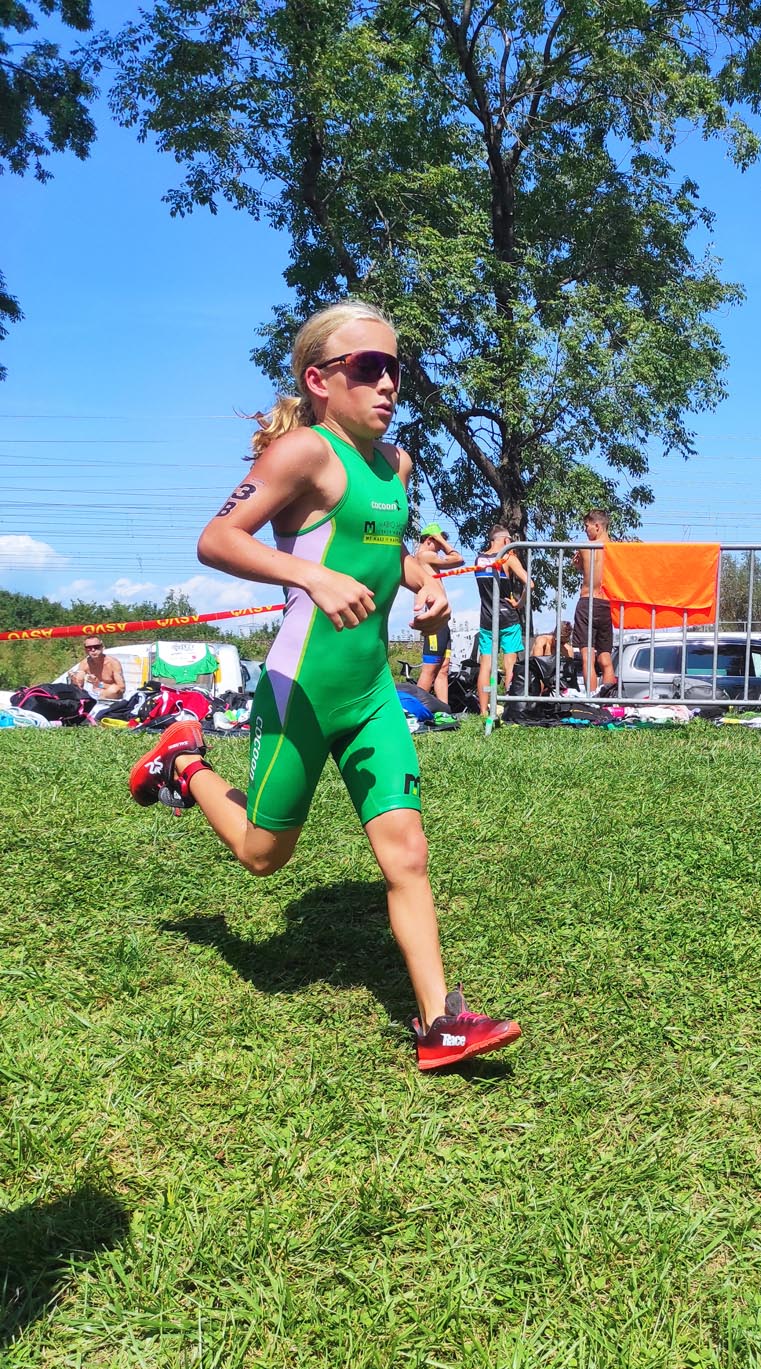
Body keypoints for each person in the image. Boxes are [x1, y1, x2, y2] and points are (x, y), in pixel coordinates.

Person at [126, 300, 519, 1071]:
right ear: (319, 380)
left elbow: (382, 545)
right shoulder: (303, 453)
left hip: (370, 691)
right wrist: (309, 575)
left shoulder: (396, 465)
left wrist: (423, 581)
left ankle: (441, 1023)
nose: (387, 383)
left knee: (407, 852)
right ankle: (182, 760)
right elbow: (216, 539)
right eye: (367, 368)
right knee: (262, 854)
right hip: (298, 688)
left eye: (395, 368)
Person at [475, 525, 529, 719]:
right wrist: (519, 603)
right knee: (510, 664)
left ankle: (483, 711)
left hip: (486, 618)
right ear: (506, 541)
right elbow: (530, 583)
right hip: (507, 617)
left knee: (486, 665)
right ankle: (510, 709)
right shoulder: (507, 558)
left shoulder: (479, 560)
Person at [414, 523, 463, 704]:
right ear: (429, 540)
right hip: (434, 619)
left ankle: (443, 710)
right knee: (430, 669)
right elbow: (458, 559)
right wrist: (442, 540)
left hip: (442, 620)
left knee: (443, 668)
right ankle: (416, 709)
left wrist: (440, 540)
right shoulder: (424, 555)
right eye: (439, 544)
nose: (441, 549)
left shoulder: (428, 558)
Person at [573, 508, 617, 692]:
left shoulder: (585, 547)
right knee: (605, 657)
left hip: (587, 602)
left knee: (587, 656)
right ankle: (609, 700)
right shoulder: (617, 549)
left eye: (587, 526)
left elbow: (579, 567)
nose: (585, 530)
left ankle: (591, 699)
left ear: (597, 526)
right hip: (606, 604)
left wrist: (577, 564)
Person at [69, 637, 126, 709]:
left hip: (109, 696)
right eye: (89, 648)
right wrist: (74, 680)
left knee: (114, 689)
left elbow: (121, 688)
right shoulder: (85, 663)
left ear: (102, 647)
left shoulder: (113, 663)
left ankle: (96, 704)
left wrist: (98, 684)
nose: (93, 650)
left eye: (96, 647)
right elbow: (79, 686)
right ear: (85, 650)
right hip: (92, 694)